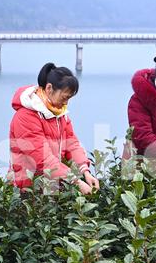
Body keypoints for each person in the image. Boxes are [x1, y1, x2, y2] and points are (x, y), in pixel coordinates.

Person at [9, 62, 99, 193]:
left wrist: (85, 172)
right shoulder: (26, 116)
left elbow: (72, 144)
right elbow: (42, 159)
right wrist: (76, 181)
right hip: (29, 190)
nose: (66, 103)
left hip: (52, 185)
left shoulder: (60, 115)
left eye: (69, 98)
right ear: (49, 88)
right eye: (64, 97)